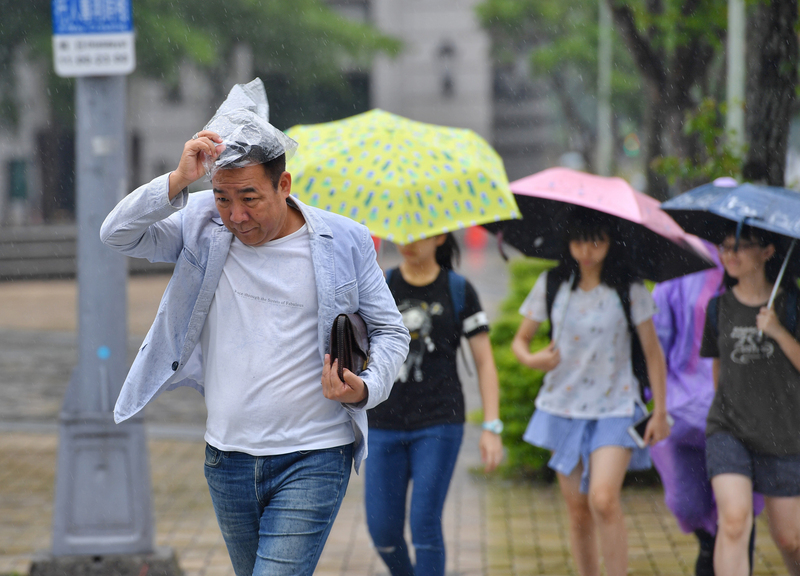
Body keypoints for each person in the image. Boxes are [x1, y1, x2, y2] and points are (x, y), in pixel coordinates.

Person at [100, 79, 410, 576]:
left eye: (250, 198)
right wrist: (178, 181)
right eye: (222, 197)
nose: (236, 216)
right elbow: (116, 234)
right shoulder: (202, 224)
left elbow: (392, 332)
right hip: (228, 458)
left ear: (283, 185)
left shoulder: (344, 240)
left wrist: (365, 389)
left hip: (315, 452)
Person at [510, 208, 670, 576]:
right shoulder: (553, 284)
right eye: (580, 240)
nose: (587, 249)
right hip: (562, 406)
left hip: (616, 405)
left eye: (597, 240)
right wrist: (533, 360)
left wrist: (660, 411)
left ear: (611, 242)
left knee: (603, 498)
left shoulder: (629, 289)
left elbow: (652, 353)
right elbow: (521, 341)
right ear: (568, 242)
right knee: (578, 510)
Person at [364, 233, 503, 576]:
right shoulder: (382, 283)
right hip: (382, 423)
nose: (407, 242)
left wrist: (492, 426)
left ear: (440, 235)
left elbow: (485, 362)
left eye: (418, 233)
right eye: (402, 233)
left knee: (425, 524)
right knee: (383, 532)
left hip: (439, 423)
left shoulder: (458, 289)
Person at [650, 242, 763, 576]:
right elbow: (658, 340)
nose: (731, 250)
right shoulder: (680, 269)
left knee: (737, 517)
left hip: (741, 415)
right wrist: (656, 401)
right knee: (690, 504)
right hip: (684, 413)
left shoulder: (765, 282)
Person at [700, 225, 800, 576]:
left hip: (784, 432)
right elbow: (718, 369)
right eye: (724, 247)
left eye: (739, 247)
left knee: (790, 539)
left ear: (768, 251)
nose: (730, 255)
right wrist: (727, 409)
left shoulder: (791, 304)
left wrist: (776, 331)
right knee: (734, 522)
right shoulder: (718, 309)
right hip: (729, 429)